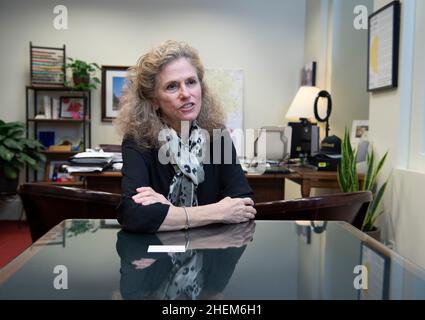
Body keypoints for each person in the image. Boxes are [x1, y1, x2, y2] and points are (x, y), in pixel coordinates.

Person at [115, 40, 256, 233]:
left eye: (191, 82)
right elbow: (134, 215)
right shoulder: (138, 140)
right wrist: (218, 211)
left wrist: (169, 213)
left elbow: (244, 205)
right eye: (172, 86)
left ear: (201, 87)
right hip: (158, 256)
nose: (186, 94)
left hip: (213, 253)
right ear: (154, 101)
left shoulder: (218, 136)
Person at [116, 222, 255, 300]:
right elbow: (237, 243)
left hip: (159, 233)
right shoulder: (213, 286)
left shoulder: (134, 293)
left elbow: (128, 248)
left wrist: (161, 252)